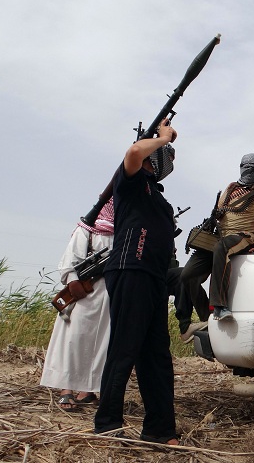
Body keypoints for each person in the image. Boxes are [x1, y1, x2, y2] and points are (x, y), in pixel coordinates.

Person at [94, 118, 178, 445]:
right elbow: (132, 152)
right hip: (131, 268)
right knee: (124, 348)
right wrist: (162, 137)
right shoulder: (129, 181)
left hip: (154, 277)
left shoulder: (157, 195)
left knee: (156, 354)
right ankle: (107, 423)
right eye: (165, 154)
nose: (170, 161)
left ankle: (160, 429)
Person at [180, 153, 254, 321]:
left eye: (252, 168)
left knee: (222, 247)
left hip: (242, 237)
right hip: (219, 236)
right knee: (187, 275)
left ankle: (219, 305)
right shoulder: (231, 187)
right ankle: (205, 315)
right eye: (245, 167)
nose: (248, 171)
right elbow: (220, 210)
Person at [40, 200, 114, 411]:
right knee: (73, 341)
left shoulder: (124, 232)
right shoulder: (87, 230)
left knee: (99, 345)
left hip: (107, 297)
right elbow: (69, 262)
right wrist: (73, 283)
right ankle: (66, 390)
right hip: (84, 294)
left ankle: (88, 391)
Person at [167, 266, 209, 343]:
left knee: (186, 275)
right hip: (144, 274)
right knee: (183, 275)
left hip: (160, 271)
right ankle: (185, 325)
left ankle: (209, 318)